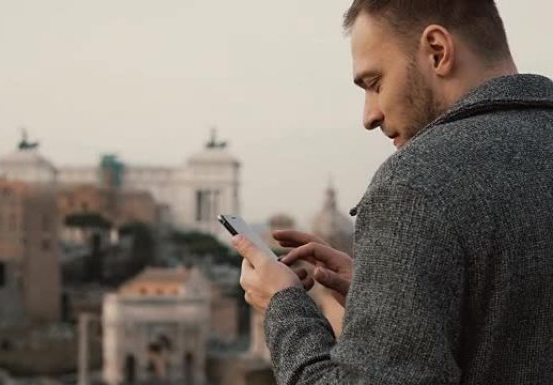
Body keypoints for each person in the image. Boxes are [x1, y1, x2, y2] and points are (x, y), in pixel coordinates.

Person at [231, 1, 553, 384]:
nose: (369, 116)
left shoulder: (417, 184)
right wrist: (391, 306)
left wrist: (282, 307)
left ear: (437, 50)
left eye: (374, 83)